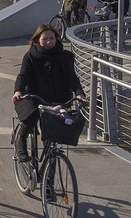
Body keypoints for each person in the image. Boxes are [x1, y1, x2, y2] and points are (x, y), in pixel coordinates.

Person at [11, 24, 86, 162]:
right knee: (31, 115)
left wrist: (79, 93)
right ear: (37, 40)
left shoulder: (66, 57)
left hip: (57, 97)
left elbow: (72, 78)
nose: (49, 42)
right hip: (33, 96)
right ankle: (21, 141)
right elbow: (23, 76)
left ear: (57, 39)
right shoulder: (31, 56)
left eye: (52, 38)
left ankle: (49, 175)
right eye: (45, 39)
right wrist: (18, 91)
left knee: (55, 129)